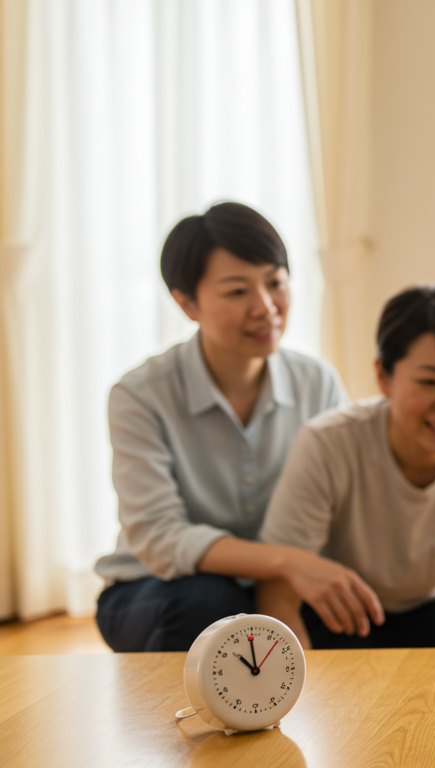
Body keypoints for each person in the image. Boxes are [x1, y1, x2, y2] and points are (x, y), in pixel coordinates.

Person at [257, 284, 435, 768]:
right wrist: (298, 718)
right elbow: (277, 597)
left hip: (434, 608)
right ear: (383, 377)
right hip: (339, 616)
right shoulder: (327, 444)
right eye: (429, 382)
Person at [95, 202, 382, 654]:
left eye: (275, 283)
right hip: (156, 589)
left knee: (420, 618)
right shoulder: (140, 395)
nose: (265, 307)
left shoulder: (316, 382)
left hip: (279, 588)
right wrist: (285, 561)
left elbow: (346, 502)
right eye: (236, 292)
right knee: (215, 606)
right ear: (186, 303)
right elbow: (159, 536)